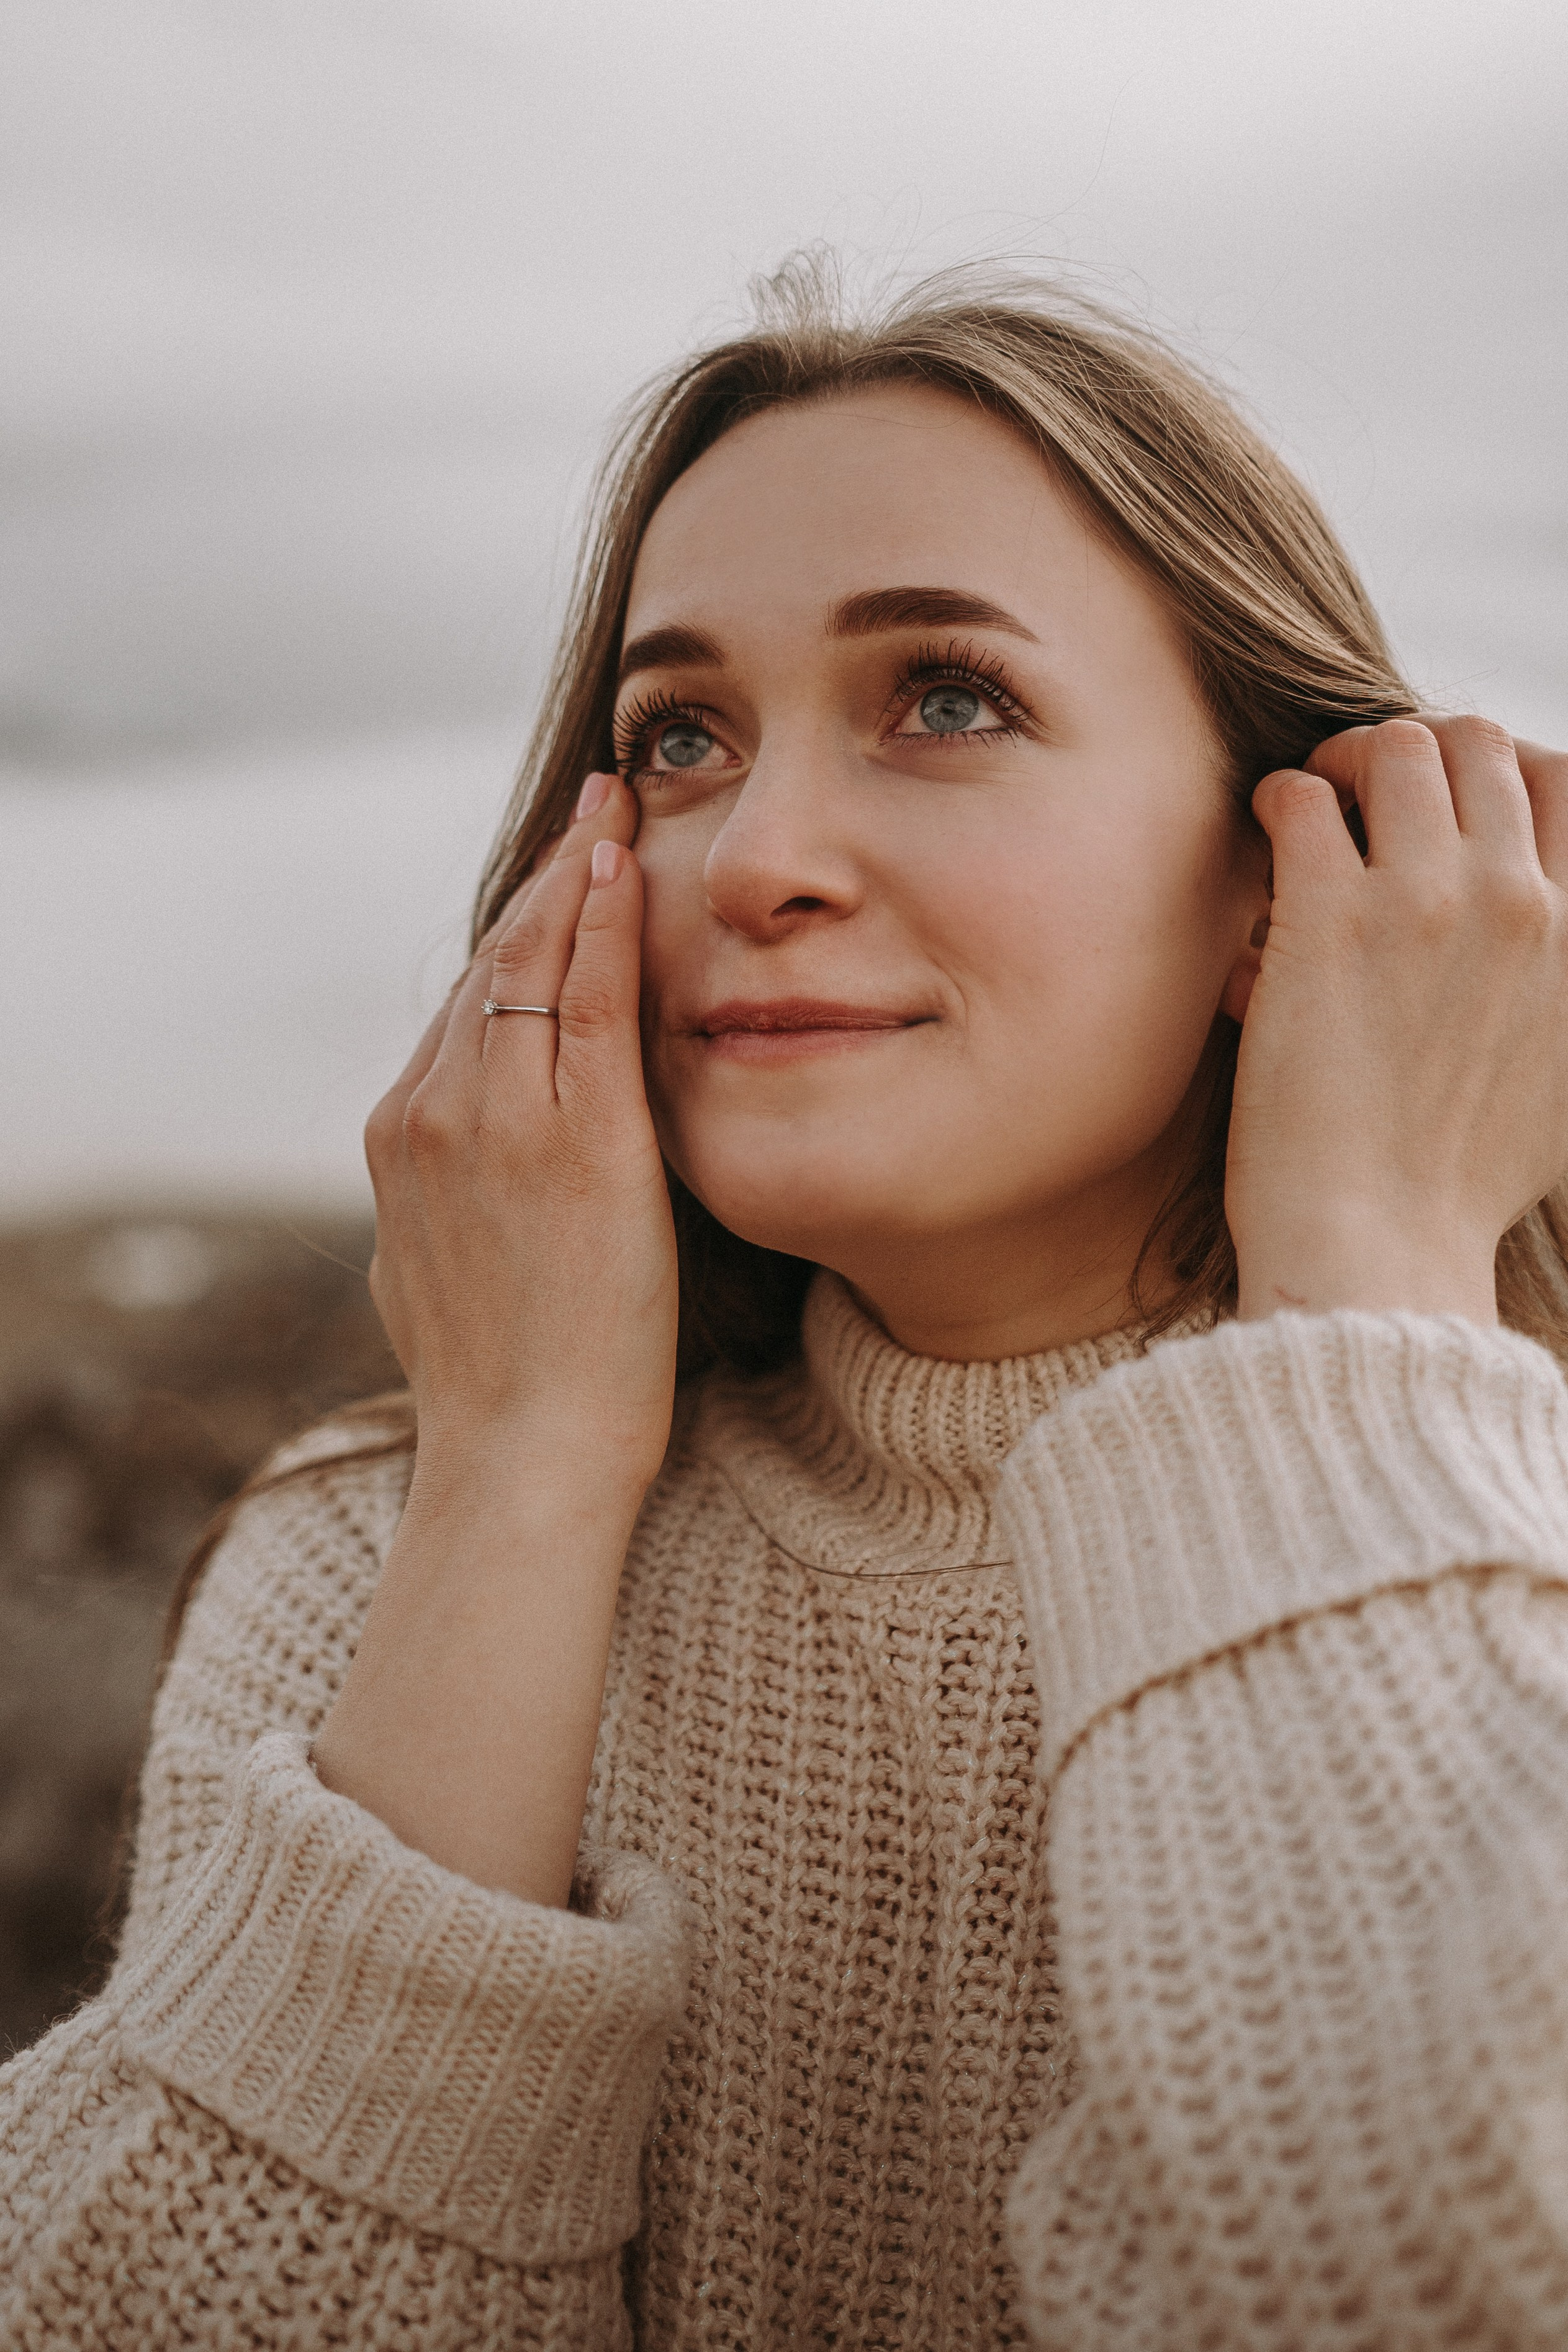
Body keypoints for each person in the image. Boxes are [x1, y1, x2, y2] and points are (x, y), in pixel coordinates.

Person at [4, 258, 1568, 2350]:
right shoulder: (358, 1563)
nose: (754, 855)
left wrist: (1371, 1278)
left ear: (1290, 868)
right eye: (675, 738)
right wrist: (523, 1474)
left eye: (947, 697)